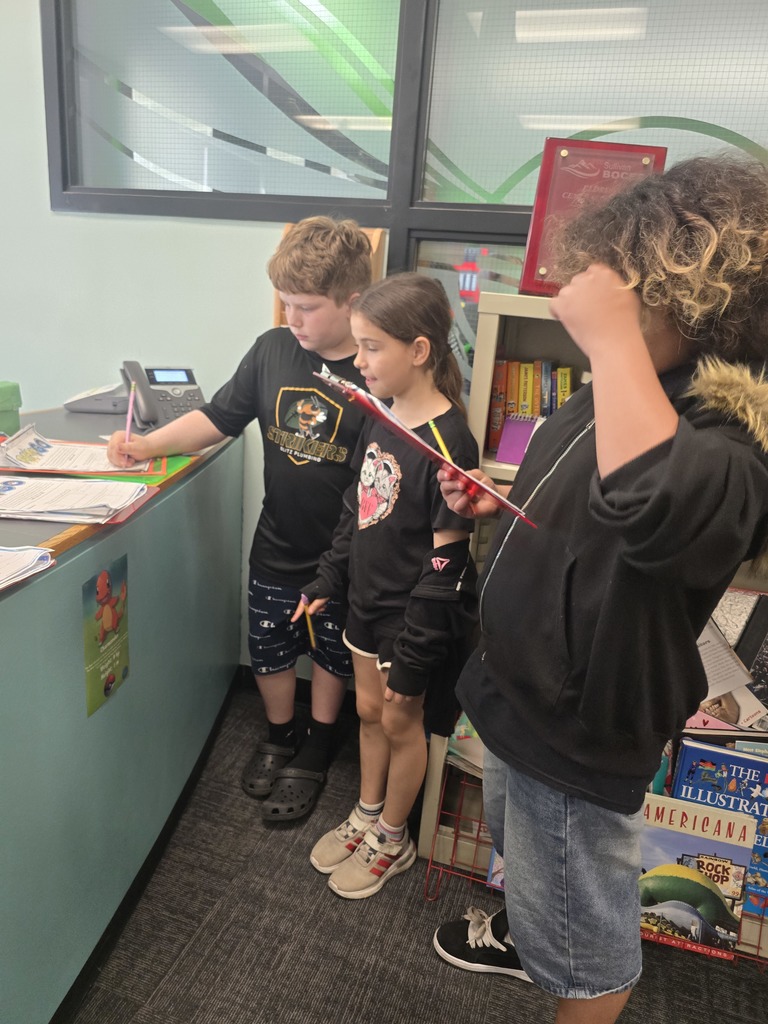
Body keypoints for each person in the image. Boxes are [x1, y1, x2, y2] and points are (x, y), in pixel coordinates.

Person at [432, 154, 768, 1024]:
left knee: (591, 949)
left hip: (578, 731)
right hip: (517, 692)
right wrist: (494, 504)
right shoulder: (625, 387)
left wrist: (613, 338)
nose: (605, 310)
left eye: (632, 291)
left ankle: (576, 977)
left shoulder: (729, 435)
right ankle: (532, 931)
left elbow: (655, 503)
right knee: (524, 851)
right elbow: (581, 504)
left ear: (697, 301)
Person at [106, 216, 373, 822]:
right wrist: (148, 446)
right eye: (286, 304)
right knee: (271, 645)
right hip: (277, 543)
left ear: (352, 302)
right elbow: (221, 416)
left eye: (306, 307)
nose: (293, 319)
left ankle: (320, 740)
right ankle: (280, 734)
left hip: (343, 555)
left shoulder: (373, 370)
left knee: (332, 654)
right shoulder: (272, 349)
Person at [296, 272, 479, 898]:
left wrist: (419, 647)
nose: (359, 360)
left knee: (403, 722)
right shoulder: (381, 418)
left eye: (372, 347)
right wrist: (328, 575)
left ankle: (393, 839)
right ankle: (368, 813)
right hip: (364, 605)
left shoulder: (450, 439)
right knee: (369, 712)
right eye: (358, 345)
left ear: (419, 350)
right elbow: (357, 508)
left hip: (411, 620)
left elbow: (447, 561)